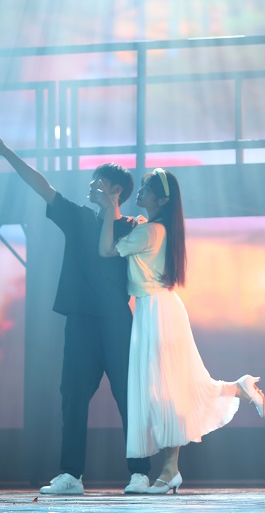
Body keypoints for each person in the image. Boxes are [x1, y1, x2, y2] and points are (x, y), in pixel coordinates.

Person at [97, 167, 265, 494]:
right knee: (169, 389)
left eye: (147, 188)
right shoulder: (156, 229)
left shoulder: (149, 232)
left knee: (168, 391)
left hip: (156, 312)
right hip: (156, 309)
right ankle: (237, 389)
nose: (141, 191)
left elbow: (105, 250)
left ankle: (170, 469)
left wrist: (109, 210)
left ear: (161, 199)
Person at [0, 138, 152, 495]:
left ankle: (140, 472)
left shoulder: (134, 227)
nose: (91, 184)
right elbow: (42, 186)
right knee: (72, 395)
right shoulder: (78, 217)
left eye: (99, 180)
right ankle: (71, 474)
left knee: (129, 396)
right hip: (81, 322)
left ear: (116, 189)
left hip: (118, 323)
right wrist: (6, 153)